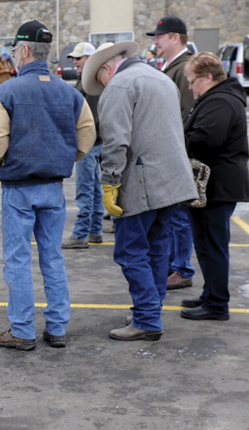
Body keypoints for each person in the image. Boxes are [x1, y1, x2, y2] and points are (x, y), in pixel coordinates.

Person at [0, 21, 95, 351]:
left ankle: (22, 330)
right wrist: (64, 158)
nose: (14, 56)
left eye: (15, 50)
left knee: (17, 260)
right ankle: (57, 326)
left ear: (25, 50)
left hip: (18, 187)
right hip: (53, 186)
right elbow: (86, 135)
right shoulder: (70, 93)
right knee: (52, 257)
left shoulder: (7, 93)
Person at [83, 41, 198, 341]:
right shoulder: (160, 77)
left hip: (142, 183)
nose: (101, 85)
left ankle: (147, 318)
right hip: (172, 182)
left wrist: (110, 183)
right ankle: (150, 310)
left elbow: (116, 142)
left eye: (99, 80)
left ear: (107, 68)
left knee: (130, 251)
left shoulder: (119, 86)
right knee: (158, 247)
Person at [181, 52, 249, 321]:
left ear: (208, 78)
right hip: (214, 185)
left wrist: (180, 139)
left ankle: (217, 304)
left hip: (216, 187)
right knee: (207, 243)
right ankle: (211, 294)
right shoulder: (217, 98)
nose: (190, 87)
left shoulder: (220, 101)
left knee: (212, 244)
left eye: (192, 81)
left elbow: (206, 140)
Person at [148, 15, 196, 292]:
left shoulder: (184, 67)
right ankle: (173, 265)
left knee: (179, 216)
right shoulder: (173, 66)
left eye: (159, 37)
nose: (155, 42)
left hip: (177, 153)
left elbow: (186, 116)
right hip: (170, 152)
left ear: (175, 38)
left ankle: (182, 268)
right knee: (173, 215)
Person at [62, 41, 104, 249]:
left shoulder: (90, 82)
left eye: (79, 58)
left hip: (90, 142)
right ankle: (95, 230)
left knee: (86, 189)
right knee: (95, 187)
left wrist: (81, 139)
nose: (75, 62)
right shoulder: (90, 79)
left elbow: (92, 117)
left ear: (90, 59)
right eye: (74, 58)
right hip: (95, 142)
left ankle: (81, 234)